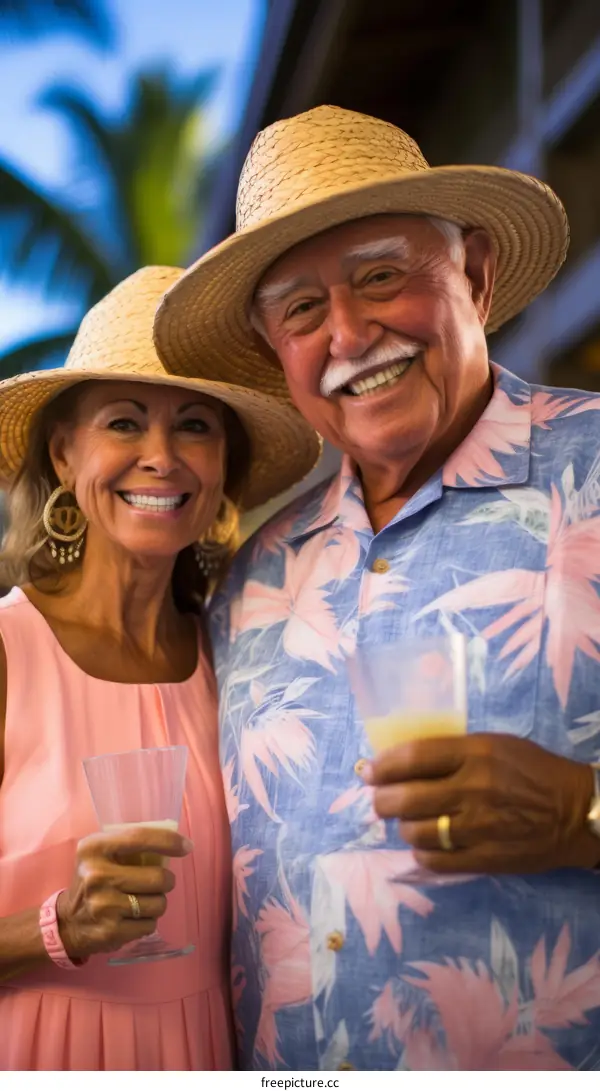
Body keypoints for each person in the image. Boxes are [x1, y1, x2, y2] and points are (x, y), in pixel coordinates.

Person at [153, 107, 600, 1072]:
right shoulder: (249, 578)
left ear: (475, 277)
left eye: (382, 276)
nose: (351, 332)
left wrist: (583, 815)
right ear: (280, 353)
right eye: (302, 311)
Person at [0, 265, 320, 1071]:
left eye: (195, 426)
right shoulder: (9, 650)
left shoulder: (241, 657)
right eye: (124, 422)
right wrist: (57, 925)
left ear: (220, 471)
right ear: (66, 455)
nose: (161, 456)